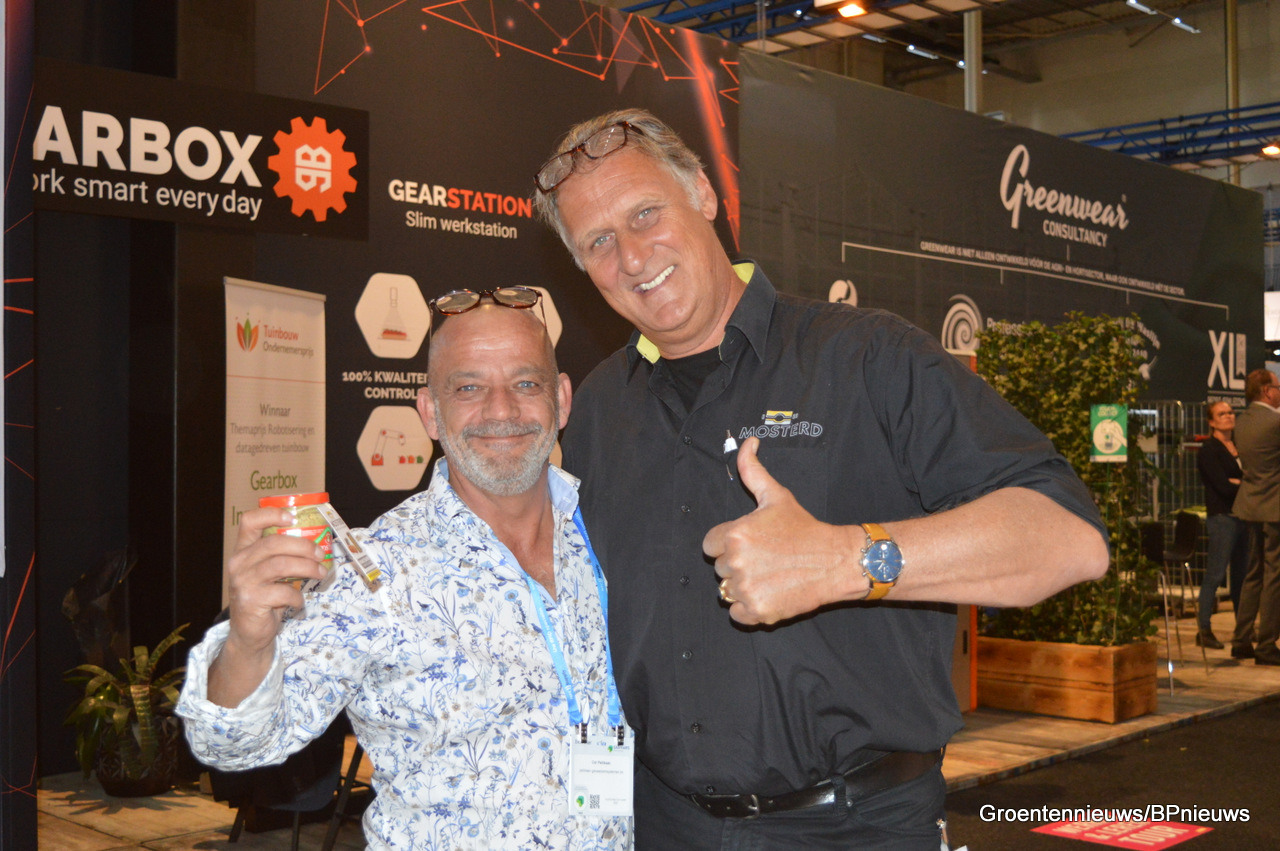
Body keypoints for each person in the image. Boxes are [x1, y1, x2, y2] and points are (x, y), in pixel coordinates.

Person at [532, 108, 1110, 849]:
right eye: (599, 241)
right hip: (662, 823)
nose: (634, 256)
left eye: (646, 213)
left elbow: (1070, 540)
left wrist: (845, 559)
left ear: (703, 194)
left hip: (856, 826)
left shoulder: (867, 358)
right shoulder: (597, 409)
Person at [176, 293, 632, 849]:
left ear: (560, 400)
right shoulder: (372, 573)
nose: (502, 410)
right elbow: (231, 743)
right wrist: (248, 642)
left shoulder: (610, 535)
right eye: (468, 388)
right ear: (430, 413)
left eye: (525, 383)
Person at [1229, 368, 1280, 665]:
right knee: (1274, 575)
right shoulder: (1275, 423)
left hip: (1250, 505)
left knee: (1253, 572)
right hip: (1274, 507)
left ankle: (1241, 639)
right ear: (1267, 391)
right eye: (1278, 387)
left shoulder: (1242, 422)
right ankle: (1267, 644)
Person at [1195, 401, 1250, 648]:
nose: (1228, 416)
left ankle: (1243, 629)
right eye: (1221, 414)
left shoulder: (1239, 446)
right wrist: (1243, 484)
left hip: (1243, 516)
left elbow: (1247, 479)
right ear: (1211, 422)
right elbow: (1222, 486)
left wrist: (1239, 482)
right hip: (1222, 518)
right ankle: (1204, 630)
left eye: (1230, 412)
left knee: (1242, 576)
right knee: (1216, 574)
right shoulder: (1209, 450)